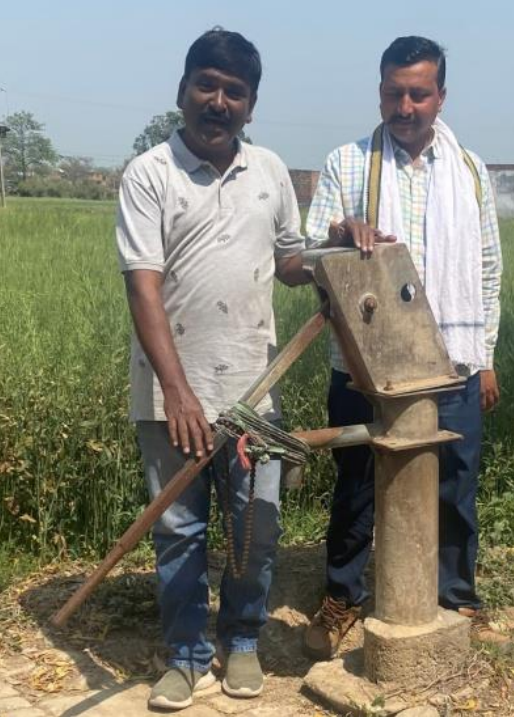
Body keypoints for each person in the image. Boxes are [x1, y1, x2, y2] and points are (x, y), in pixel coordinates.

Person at [116, 28, 318, 710]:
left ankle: (241, 640)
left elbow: (289, 261)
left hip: (255, 391)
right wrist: (178, 391)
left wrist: (327, 253)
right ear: (183, 89)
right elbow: (143, 285)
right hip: (171, 395)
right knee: (178, 532)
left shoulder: (269, 172)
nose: (218, 100)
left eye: (234, 91)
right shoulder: (150, 174)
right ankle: (183, 653)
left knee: (255, 529)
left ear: (251, 105)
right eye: (207, 83)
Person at [303, 35, 504, 661]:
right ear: (380, 92)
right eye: (395, 92)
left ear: (441, 96)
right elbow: (309, 258)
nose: (406, 105)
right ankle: (343, 599)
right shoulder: (348, 164)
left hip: (453, 360)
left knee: (455, 485)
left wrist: (488, 354)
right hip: (365, 367)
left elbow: (489, 267)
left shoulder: (470, 170)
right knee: (358, 485)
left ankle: (458, 599)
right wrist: (341, 232)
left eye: (419, 93)